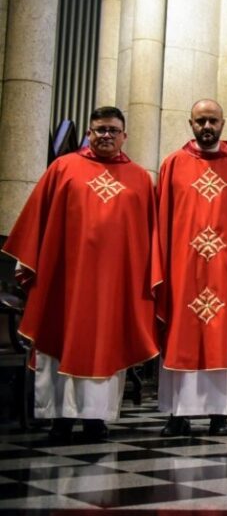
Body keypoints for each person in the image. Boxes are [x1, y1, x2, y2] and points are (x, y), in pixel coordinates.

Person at [2, 106, 159, 443]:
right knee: (59, 339)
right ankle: (59, 420)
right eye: (99, 129)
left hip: (115, 284)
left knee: (107, 344)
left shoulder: (140, 179)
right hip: (64, 279)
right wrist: (27, 263)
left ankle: (95, 420)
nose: (106, 135)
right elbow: (36, 220)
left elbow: (150, 236)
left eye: (112, 130)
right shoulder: (63, 168)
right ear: (89, 133)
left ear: (124, 136)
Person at [153, 99, 227, 437]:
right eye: (200, 121)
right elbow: (161, 220)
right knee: (181, 335)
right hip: (182, 269)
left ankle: (220, 413)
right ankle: (178, 413)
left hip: (225, 270)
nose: (206, 127)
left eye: (212, 121)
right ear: (190, 124)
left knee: (221, 335)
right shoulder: (173, 163)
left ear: (223, 123)